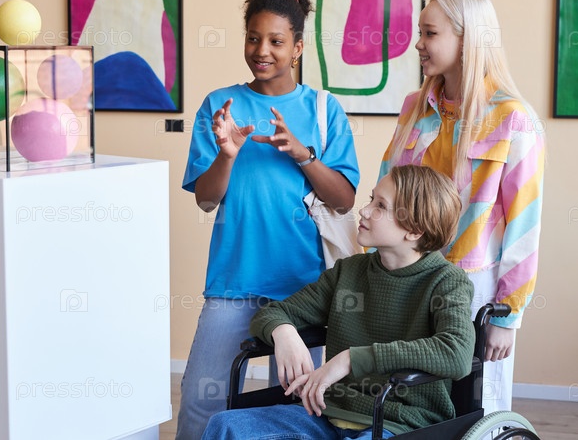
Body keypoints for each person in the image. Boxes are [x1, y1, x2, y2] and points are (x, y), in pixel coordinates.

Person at [177, 0, 360, 440]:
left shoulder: (324, 110)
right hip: (233, 281)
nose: (262, 50)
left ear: (297, 47)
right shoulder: (220, 105)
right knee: (202, 401)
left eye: (276, 41)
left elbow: (344, 200)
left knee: (298, 409)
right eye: (253, 38)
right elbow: (206, 199)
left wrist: (303, 154)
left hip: (304, 289)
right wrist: (226, 154)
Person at [202, 165, 475, 439]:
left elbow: (457, 352)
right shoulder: (349, 271)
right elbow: (273, 313)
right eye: (371, 199)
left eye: (380, 206)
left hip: (398, 422)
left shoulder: (446, 280)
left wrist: (350, 360)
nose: (364, 211)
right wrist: (284, 333)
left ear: (414, 230)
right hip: (327, 412)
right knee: (224, 426)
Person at [379, 0, 545, 413]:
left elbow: (524, 224)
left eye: (429, 33)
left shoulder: (513, 119)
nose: (418, 44)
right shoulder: (414, 108)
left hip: (472, 288)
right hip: (406, 278)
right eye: (420, 32)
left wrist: (506, 316)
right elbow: (386, 190)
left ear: (468, 38)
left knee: (476, 407)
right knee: (409, 402)